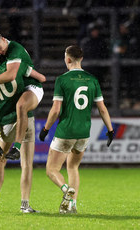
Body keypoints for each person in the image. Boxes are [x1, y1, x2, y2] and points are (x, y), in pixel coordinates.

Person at [39, 45, 114, 214]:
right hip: (84, 133)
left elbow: (56, 110)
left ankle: (66, 189)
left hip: (66, 131)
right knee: (72, 167)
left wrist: (45, 129)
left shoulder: (62, 80)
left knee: (51, 169)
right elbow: (102, 109)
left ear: (68, 59)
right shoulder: (92, 79)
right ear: (82, 59)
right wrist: (110, 130)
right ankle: (72, 205)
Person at [0, 50, 45, 213]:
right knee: (26, 164)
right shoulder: (15, 64)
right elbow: (40, 78)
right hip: (24, 117)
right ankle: (24, 205)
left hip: (8, 117)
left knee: (1, 159)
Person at [0, 30, 45, 161]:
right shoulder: (1, 57)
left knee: (21, 105)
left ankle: (17, 148)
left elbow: (11, 76)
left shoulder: (14, 50)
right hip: (15, 90)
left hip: (30, 87)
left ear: (3, 39)